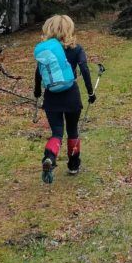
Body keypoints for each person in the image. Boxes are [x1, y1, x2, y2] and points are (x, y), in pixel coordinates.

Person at [33, 15, 95, 182]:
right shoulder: (76, 49)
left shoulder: (46, 51)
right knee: (73, 130)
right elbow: (85, 69)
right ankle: (74, 165)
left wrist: (37, 93)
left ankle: (50, 157)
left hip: (51, 98)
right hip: (71, 96)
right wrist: (90, 93)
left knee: (57, 132)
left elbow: (38, 74)